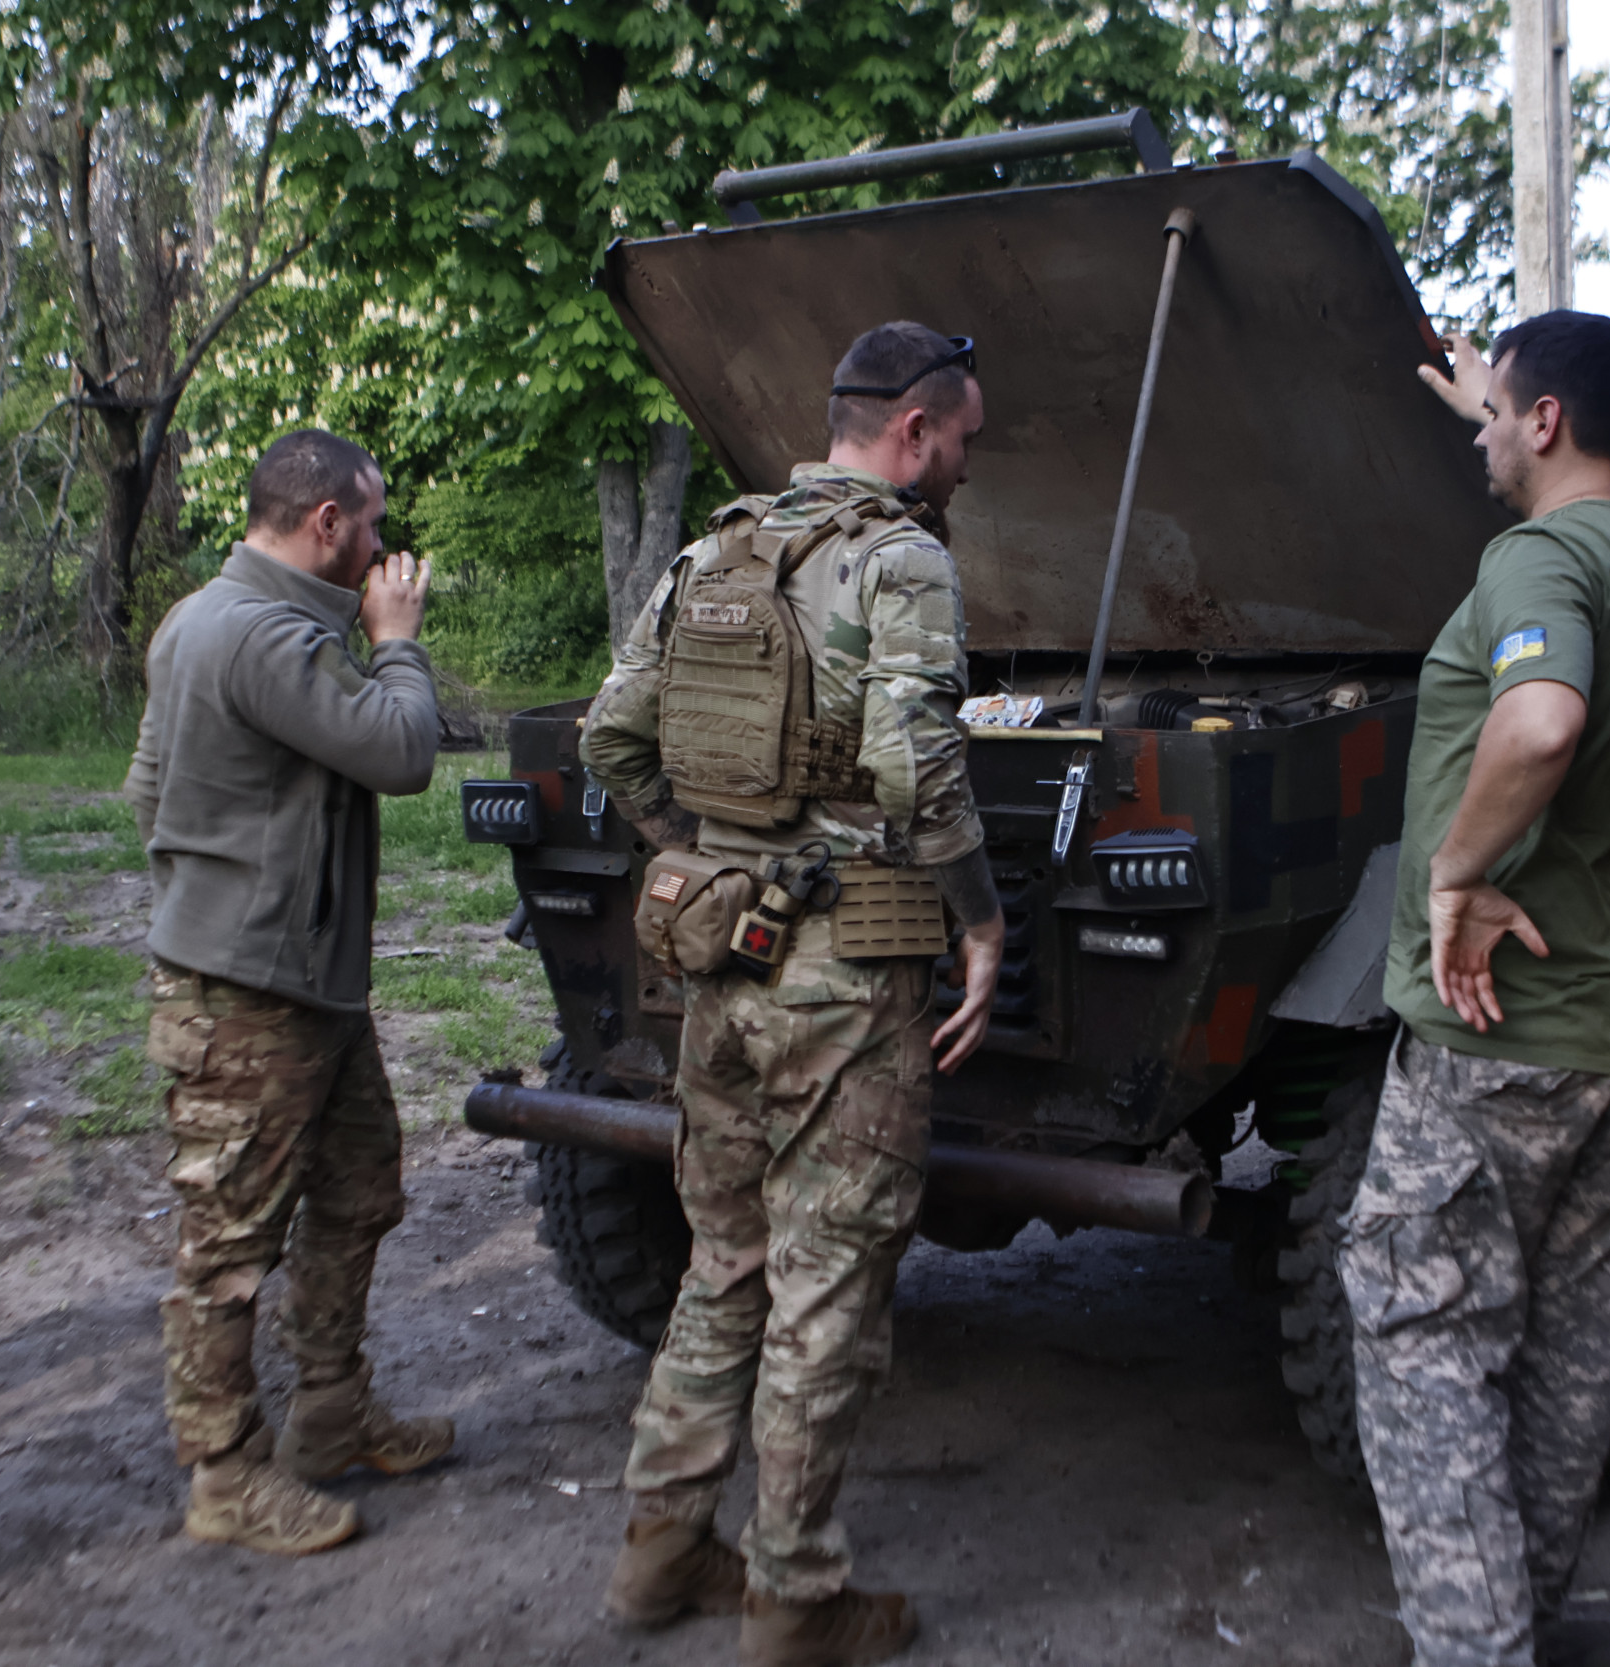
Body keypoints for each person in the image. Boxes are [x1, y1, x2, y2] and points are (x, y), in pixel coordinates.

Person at [580, 321, 1007, 1667]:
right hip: (846, 978)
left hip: (721, 964)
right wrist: (982, 917)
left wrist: (705, 856)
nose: (966, 468)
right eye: (966, 442)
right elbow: (917, 766)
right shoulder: (901, 558)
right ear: (916, 432)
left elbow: (610, 736)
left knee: (724, 1261)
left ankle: (660, 1551)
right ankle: (795, 1595)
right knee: (828, 1283)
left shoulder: (715, 550)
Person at [1346, 312, 1610, 1667]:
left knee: (1422, 1342)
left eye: (1502, 412)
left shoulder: (1539, 559)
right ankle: (1517, 1622)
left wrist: (1455, 868)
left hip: (1499, 1032)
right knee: (1570, 1350)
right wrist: (1473, 398)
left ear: (1548, 422)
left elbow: (1543, 714)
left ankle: (1472, 1644)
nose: (1487, 431)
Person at [122, 428, 453, 1556]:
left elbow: (146, 788)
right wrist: (397, 641)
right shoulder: (261, 634)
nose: (380, 544)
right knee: (227, 1244)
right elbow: (403, 752)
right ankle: (223, 1473)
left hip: (301, 981)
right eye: (370, 522)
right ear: (325, 525)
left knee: (359, 1186)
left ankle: (330, 1409)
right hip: (247, 997)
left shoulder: (208, 617)